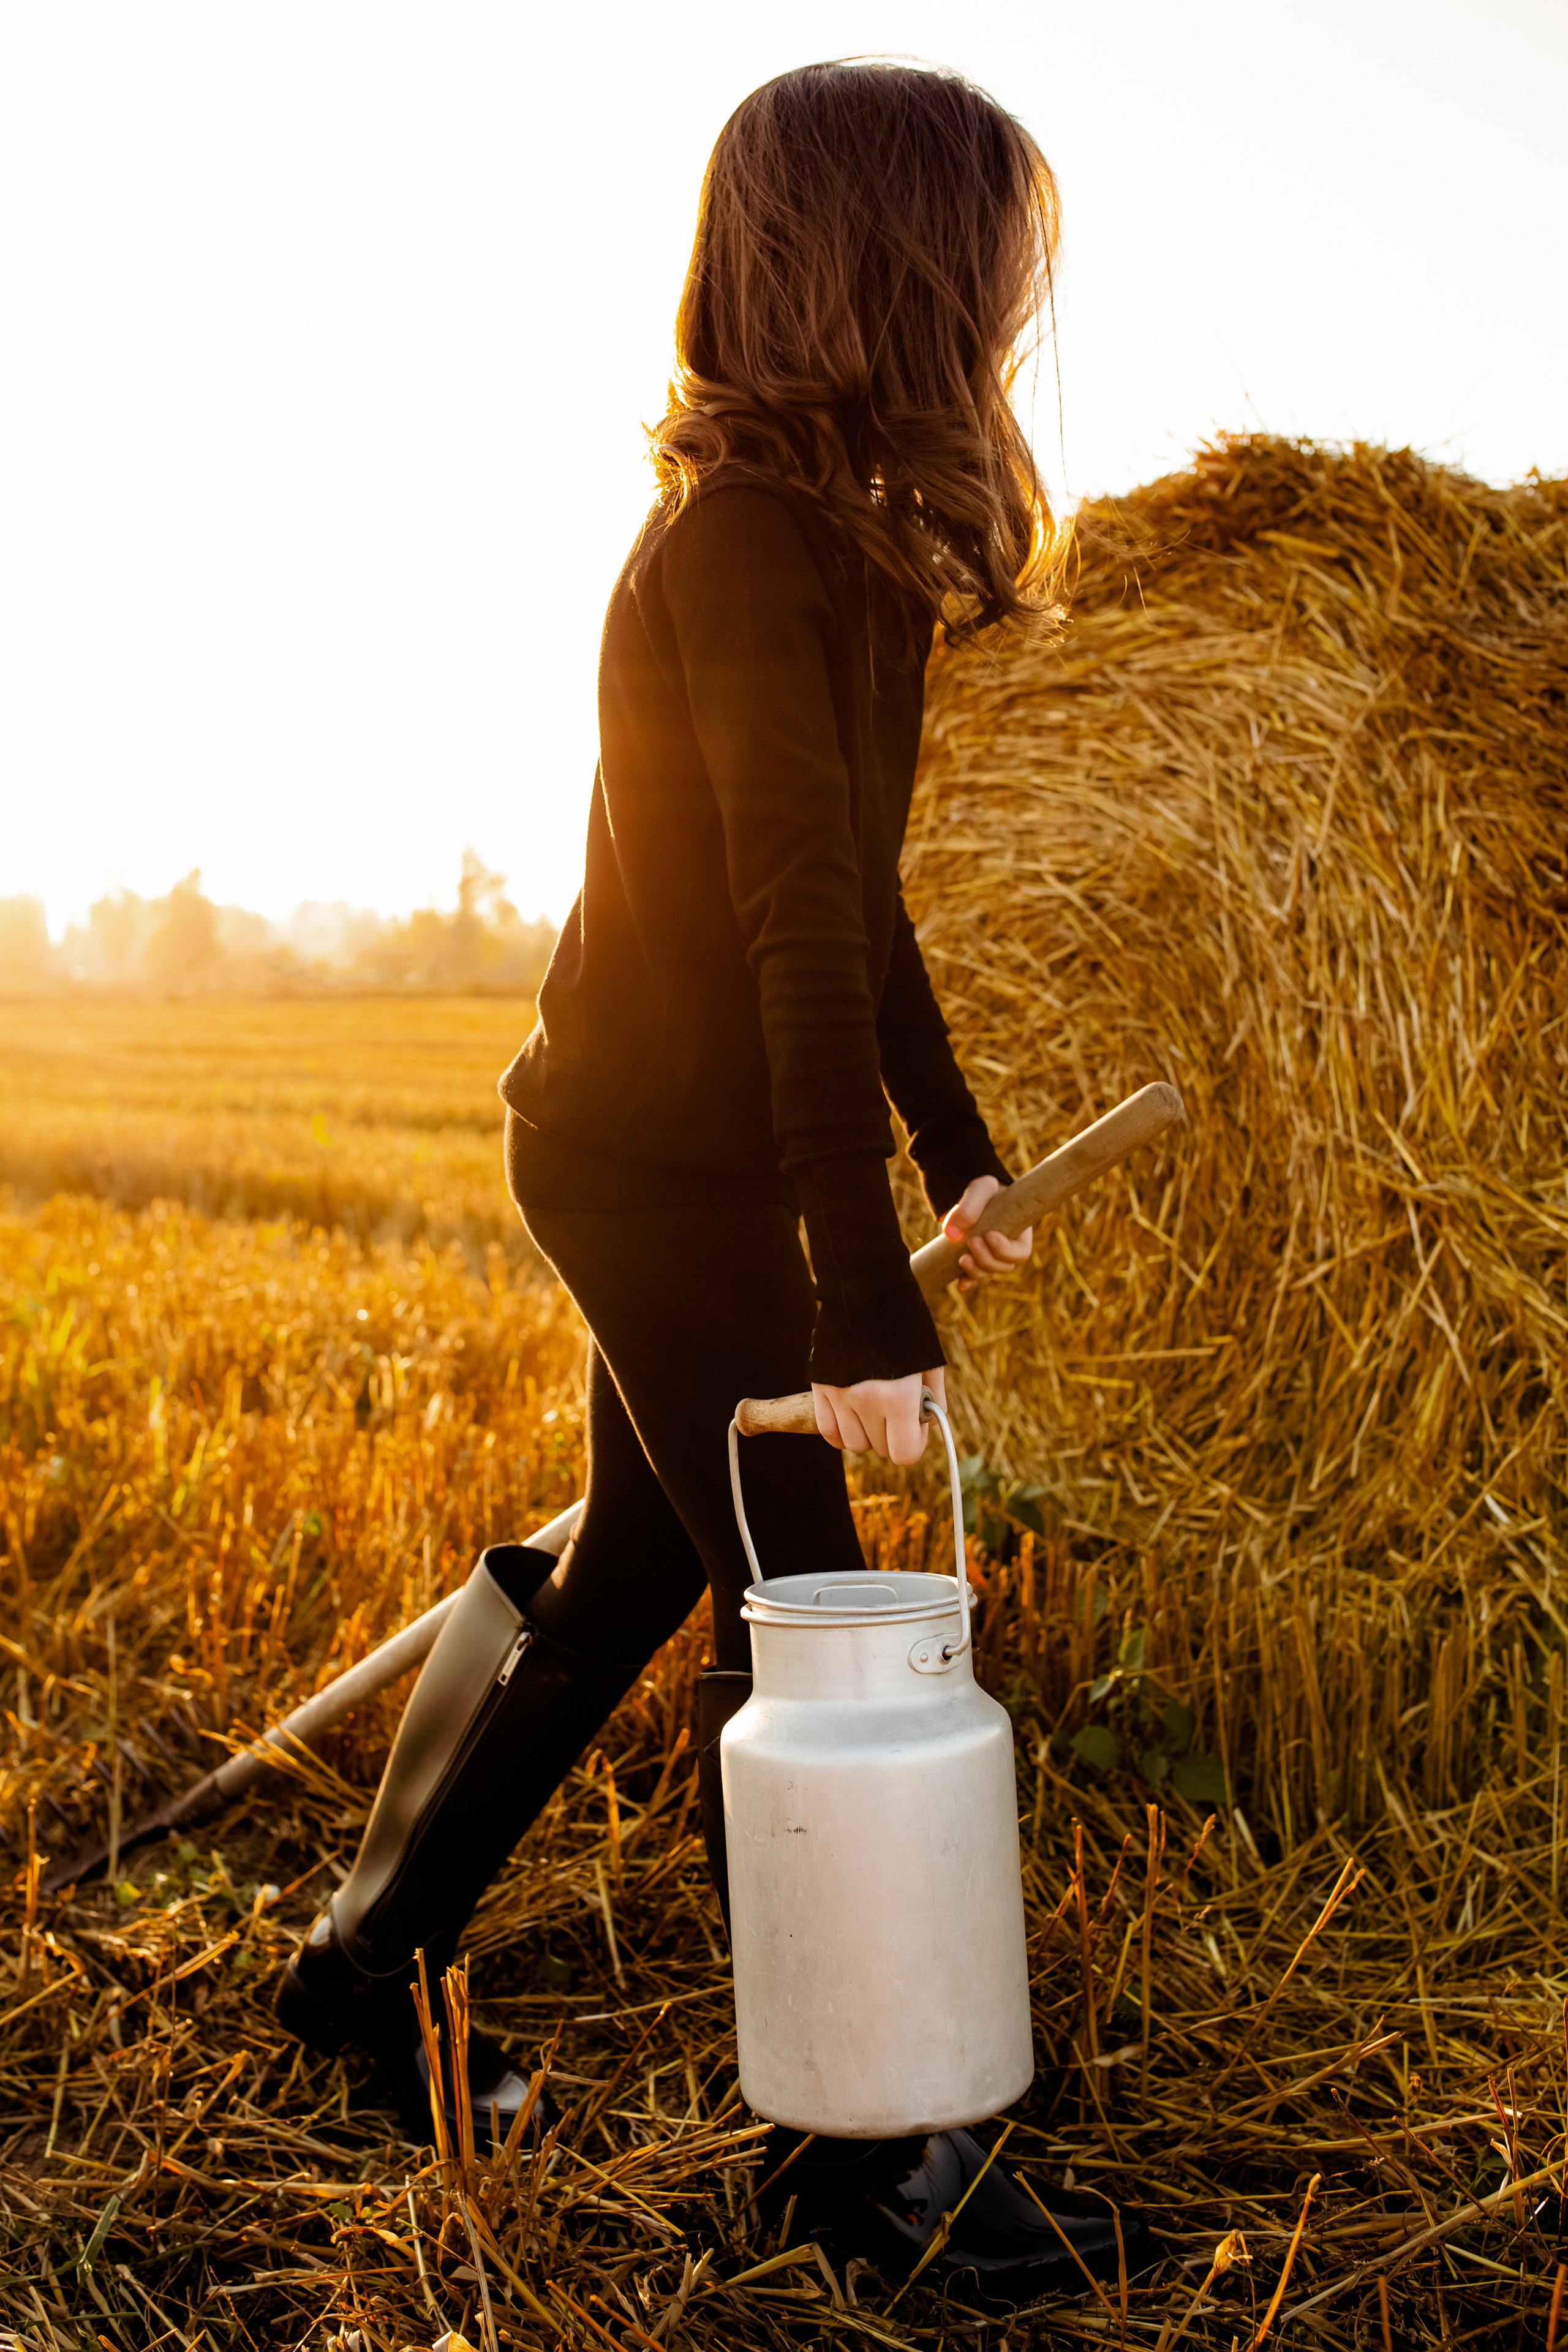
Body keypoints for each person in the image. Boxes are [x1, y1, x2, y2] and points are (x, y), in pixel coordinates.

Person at [277, 58, 1143, 2301]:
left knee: (643, 1577)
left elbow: (858, 902)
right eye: (989, 256)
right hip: (642, 1168)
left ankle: (360, 1976)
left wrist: (958, 1154)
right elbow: (785, 930)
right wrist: (859, 1303)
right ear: (892, 268)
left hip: (684, 1159)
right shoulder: (744, 547)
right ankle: (869, 2163)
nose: (1011, 300)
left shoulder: (844, 549)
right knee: (825, 1619)